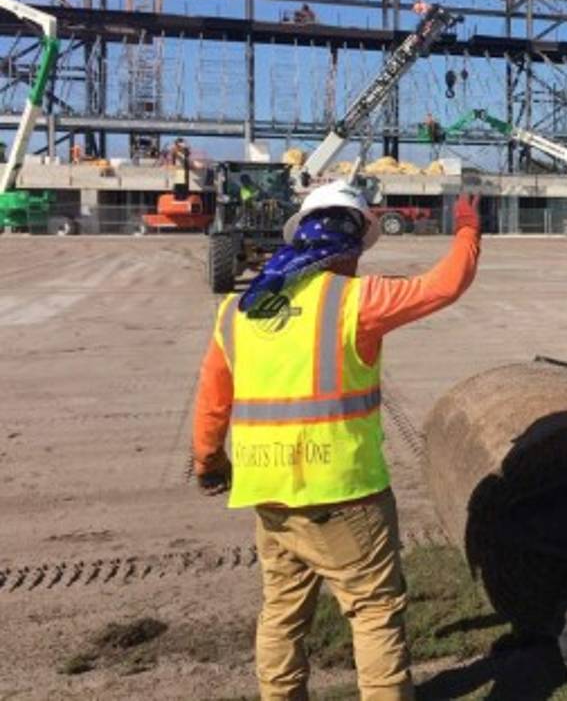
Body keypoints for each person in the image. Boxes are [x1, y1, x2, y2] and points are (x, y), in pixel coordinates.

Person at [193, 180, 481, 700]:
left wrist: (209, 464)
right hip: (344, 494)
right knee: (374, 613)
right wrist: (467, 227)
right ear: (349, 244)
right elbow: (445, 284)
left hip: (269, 493)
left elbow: (213, 402)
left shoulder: (239, 311)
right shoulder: (358, 300)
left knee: (281, 612)